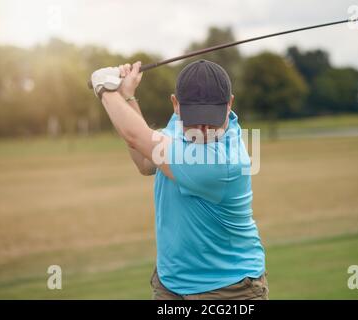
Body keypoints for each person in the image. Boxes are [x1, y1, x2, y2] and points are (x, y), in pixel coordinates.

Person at [90, 59, 268, 299]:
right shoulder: (178, 124)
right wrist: (127, 96)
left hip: (229, 288)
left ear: (229, 105)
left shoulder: (222, 162)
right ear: (176, 105)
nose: (204, 129)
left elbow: (136, 137)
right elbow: (145, 161)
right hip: (171, 285)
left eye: (212, 118)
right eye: (195, 118)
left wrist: (104, 89)